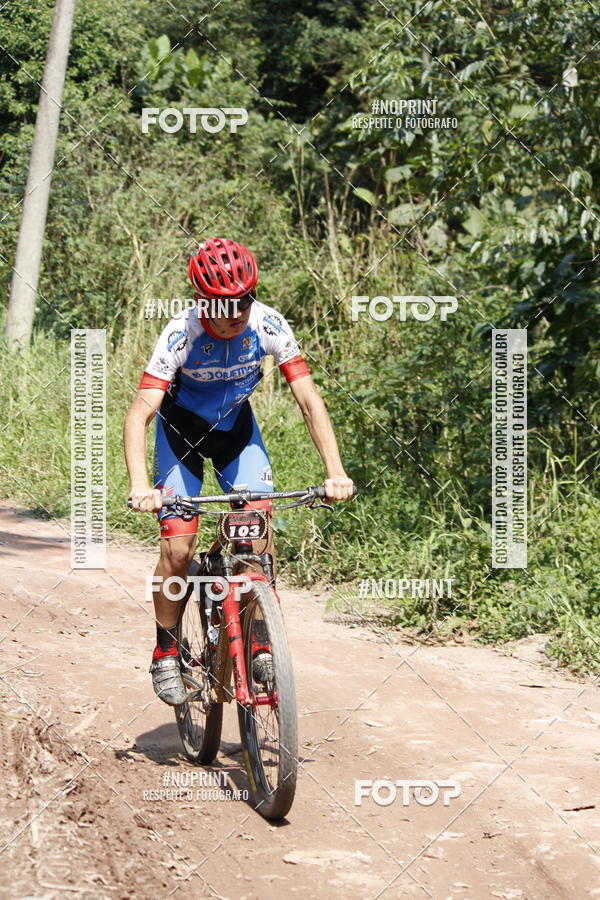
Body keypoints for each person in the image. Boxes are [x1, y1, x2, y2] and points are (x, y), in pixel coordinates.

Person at [123, 238, 353, 705]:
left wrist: (336, 471)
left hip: (237, 436)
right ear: (201, 302)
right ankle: (166, 651)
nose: (235, 314)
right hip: (180, 437)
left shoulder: (269, 324)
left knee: (256, 536)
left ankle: (260, 638)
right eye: (224, 305)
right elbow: (138, 415)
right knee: (179, 551)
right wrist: (140, 486)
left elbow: (309, 401)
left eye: (243, 302)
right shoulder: (180, 333)